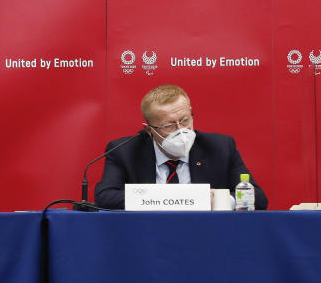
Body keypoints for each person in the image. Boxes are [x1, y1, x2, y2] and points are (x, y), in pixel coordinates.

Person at [94, 84, 268, 210]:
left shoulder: (220, 147)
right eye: (168, 125)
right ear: (149, 130)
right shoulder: (125, 151)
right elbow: (105, 197)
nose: (180, 130)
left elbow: (258, 199)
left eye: (185, 120)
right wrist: (183, 197)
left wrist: (222, 201)